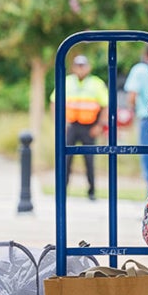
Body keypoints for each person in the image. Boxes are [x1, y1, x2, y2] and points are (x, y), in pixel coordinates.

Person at [50, 55, 108, 200]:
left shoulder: (96, 83)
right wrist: (59, 124)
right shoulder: (67, 82)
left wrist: (100, 126)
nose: (80, 69)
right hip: (72, 126)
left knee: (89, 159)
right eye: (78, 65)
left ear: (88, 67)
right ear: (73, 67)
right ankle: (63, 190)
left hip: (90, 126)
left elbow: (105, 106)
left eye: (83, 65)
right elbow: (54, 102)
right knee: (66, 158)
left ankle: (92, 191)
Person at [124, 45, 148, 195]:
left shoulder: (139, 69)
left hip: (147, 119)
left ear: (145, 55)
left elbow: (132, 96)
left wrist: (131, 111)